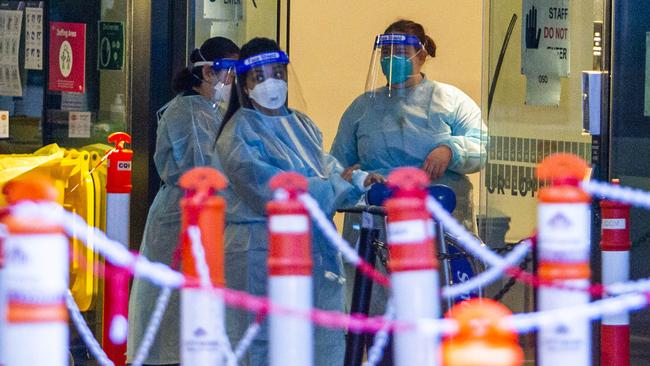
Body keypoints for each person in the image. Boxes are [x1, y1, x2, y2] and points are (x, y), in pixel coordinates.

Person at [330, 19, 487, 363]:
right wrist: (358, 179)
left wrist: (451, 150)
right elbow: (336, 165)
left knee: (437, 316)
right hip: (377, 229)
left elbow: (481, 146)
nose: (392, 58)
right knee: (380, 319)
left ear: (421, 54)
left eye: (401, 51)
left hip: (437, 229)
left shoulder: (450, 100)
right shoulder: (362, 107)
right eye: (386, 52)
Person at [217, 37, 381, 366]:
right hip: (260, 251)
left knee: (321, 339)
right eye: (260, 77)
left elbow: (322, 166)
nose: (272, 84)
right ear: (244, 85)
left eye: (278, 74)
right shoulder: (238, 135)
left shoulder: (300, 124)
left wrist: (359, 180)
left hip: (312, 249)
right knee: (264, 344)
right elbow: (276, 191)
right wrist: (336, 185)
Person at [126, 36, 239, 366]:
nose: (233, 82)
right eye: (228, 73)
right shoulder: (189, 112)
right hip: (181, 218)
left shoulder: (210, 111)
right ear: (207, 73)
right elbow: (208, 170)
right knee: (171, 314)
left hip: (197, 218)